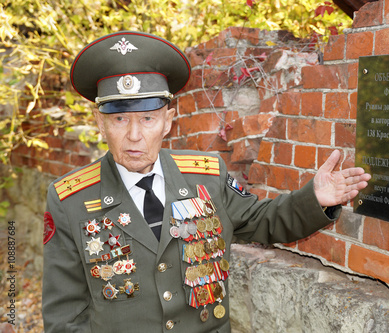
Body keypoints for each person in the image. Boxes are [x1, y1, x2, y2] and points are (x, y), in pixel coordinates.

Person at [42, 31, 371, 332]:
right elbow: (64, 318)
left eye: (147, 118)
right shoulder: (69, 199)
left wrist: (315, 198)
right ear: (100, 123)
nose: (134, 135)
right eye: (119, 119)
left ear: (168, 120)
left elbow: (264, 221)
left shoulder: (207, 174)